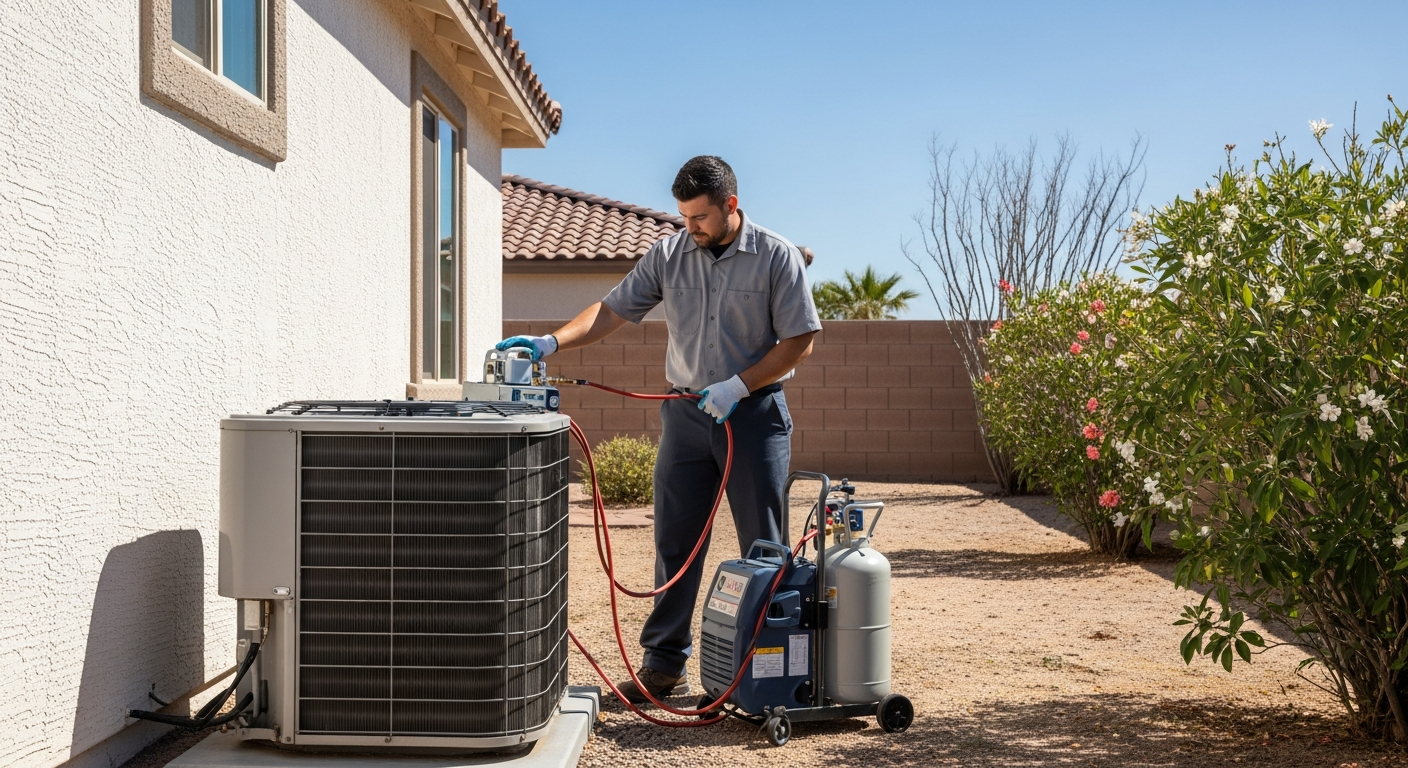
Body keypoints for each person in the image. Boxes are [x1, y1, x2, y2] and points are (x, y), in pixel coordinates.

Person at [495, 155, 822, 705]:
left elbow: (799, 341)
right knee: (675, 543)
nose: (689, 226)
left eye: (698, 217)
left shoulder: (776, 257)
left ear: (730, 207)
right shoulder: (670, 254)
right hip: (687, 416)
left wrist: (738, 386)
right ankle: (665, 666)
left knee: (764, 547)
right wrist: (551, 342)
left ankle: (759, 671)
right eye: (683, 215)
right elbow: (613, 309)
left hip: (754, 414)